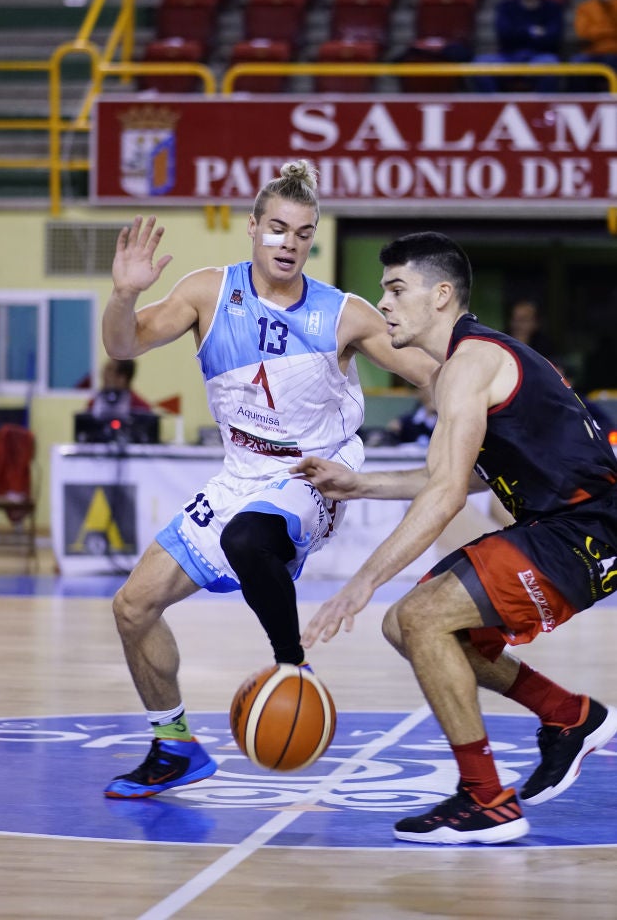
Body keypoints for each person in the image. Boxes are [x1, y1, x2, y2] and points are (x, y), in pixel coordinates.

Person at [99, 160, 436, 799]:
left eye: (303, 233)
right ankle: (173, 747)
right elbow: (124, 346)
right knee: (133, 607)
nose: (289, 243)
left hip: (315, 475)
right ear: (252, 228)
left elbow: (436, 376)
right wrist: (123, 295)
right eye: (277, 229)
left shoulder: (345, 314)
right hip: (240, 475)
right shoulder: (207, 292)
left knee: (250, 539)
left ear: (313, 239)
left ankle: (292, 667)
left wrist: (486, 377)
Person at [291, 230, 617, 845]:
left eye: (395, 289)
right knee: (406, 626)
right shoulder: (469, 363)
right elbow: (457, 475)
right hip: (568, 527)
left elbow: (443, 495)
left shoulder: (468, 366)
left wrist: (360, 584)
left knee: (417, 617)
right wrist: (357, 484)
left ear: (441, 295)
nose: (382, 303)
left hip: (583, 531)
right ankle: (568, 715)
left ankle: (486, 799)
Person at [474, 0, 564, 92]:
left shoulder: (553, 8)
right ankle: (494, 108)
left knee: (551, 63)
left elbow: (553, 38)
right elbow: (504, 35)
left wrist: (519, 32)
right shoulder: (505, 7)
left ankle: (540, 109)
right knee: (479, 64)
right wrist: (534, 31)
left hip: (539, 58)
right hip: (508, 58)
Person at [572, 0, 617, 90]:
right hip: (592, 53)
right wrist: (609, 32)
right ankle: (581, 107)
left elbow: (592, 32)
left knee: (612, 60)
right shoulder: (585, 7)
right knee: (577, 63)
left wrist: (610, 3)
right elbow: (584, 34)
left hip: (615, 54)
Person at [87, 358, 152, 418]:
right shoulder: (94, 404)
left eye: (109, 370)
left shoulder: (141, 409)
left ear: (122, 378)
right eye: (104, 369)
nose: (103, 374)